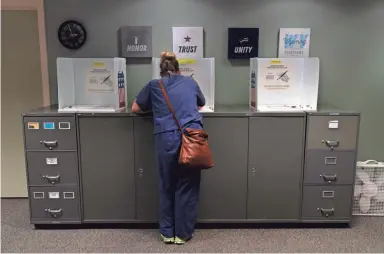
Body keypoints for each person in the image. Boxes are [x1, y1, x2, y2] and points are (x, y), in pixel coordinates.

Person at [131, 52, 206, 245]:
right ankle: (183, 234)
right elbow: (201, 103)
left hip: (166, 139)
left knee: (166, 185)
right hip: (190, 138)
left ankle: (167, 233)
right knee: (187, 185)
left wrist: (156, 108)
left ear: (161, 71)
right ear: (179, 69)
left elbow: (135, 108)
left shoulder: (154, 85)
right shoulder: (190, 82)